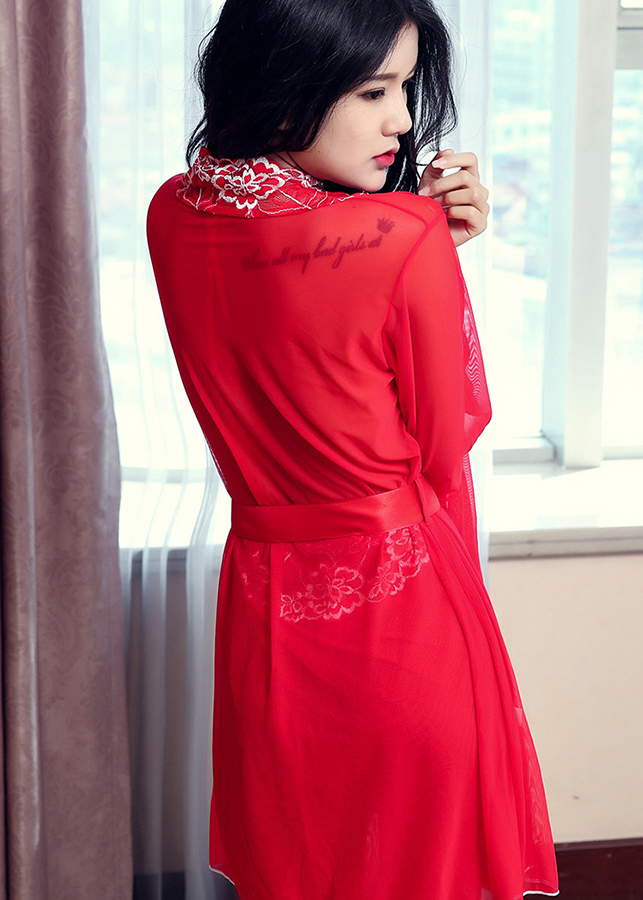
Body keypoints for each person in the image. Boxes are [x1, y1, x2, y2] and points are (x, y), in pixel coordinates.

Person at [147, 1, 560, 898]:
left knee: (302, 866)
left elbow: (295, 306)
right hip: (399, 612)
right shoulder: (399, 239)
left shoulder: (170, 211)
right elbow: (445, 433)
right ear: (287, 82)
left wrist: (415, 242)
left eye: (404, 89)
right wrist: (426, 251)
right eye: (374, 91)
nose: (402, 121)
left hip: (264, 615)